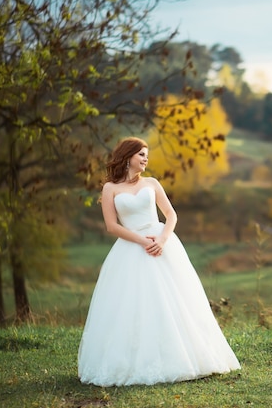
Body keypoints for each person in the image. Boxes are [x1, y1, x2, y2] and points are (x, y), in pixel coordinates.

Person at [78, 137, 240, 387]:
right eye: (141, 154)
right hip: (132, 247)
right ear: (128, 155)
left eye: (147, 155)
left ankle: (187, 356)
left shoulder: (152, 183)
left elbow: (171, 214)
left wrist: (162, 239)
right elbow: (112, 227)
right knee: (133, 304)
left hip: (162, 246)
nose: (145, 159)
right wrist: (143, 242)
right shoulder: (110, 188)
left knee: (176, 300)